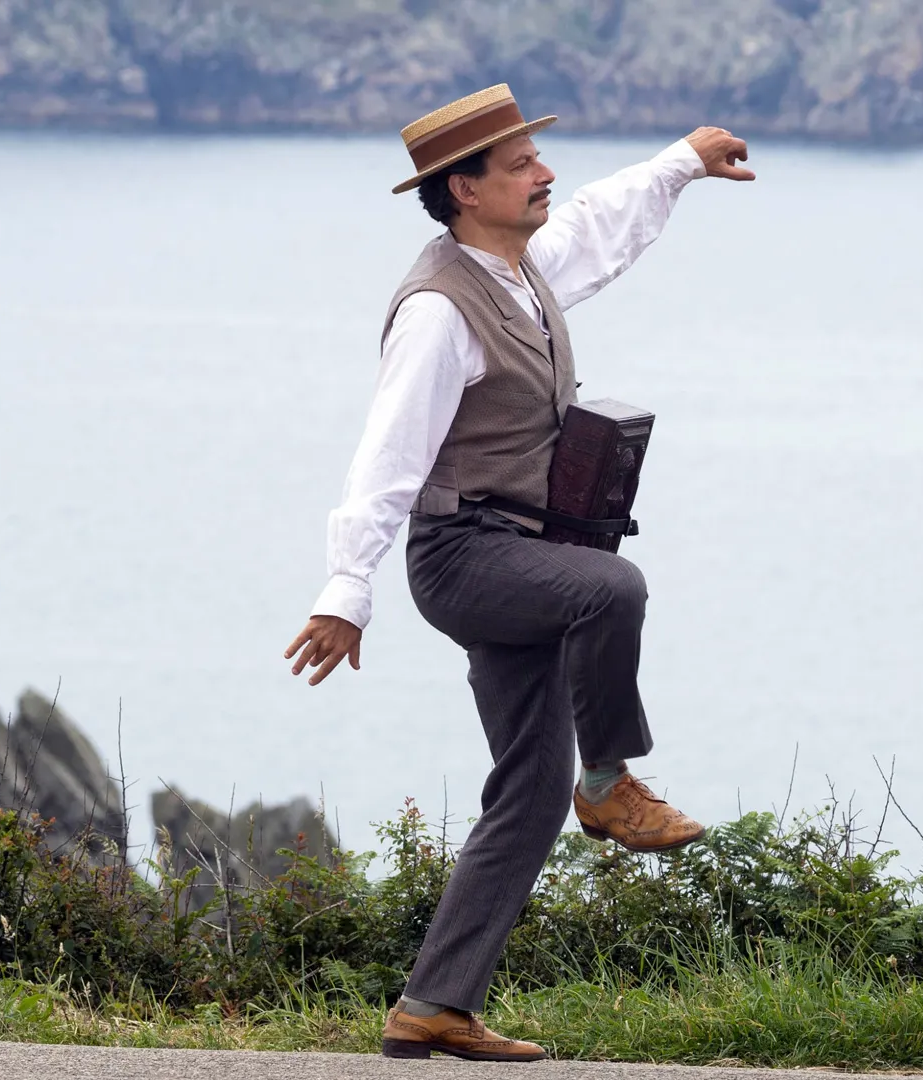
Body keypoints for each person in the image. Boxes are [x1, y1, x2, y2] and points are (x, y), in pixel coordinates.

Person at [283, 83, 756, 1062]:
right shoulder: (437, 311)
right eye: (520, 165)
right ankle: (611, 782)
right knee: (612, 589)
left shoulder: (518, 268)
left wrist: (682, 162)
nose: (545, 174)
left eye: (536, 158)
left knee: (531, 791)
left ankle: (432, 1006)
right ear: (464, 190)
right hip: (463, 557)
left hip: (522, 556)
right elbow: (388, 459)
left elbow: (597, 224)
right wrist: (346, 592)